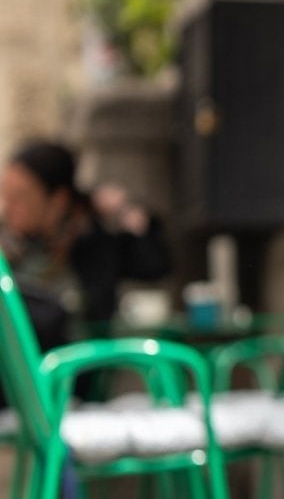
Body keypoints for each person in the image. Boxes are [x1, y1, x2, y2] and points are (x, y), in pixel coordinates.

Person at [0, 139, 170, 350]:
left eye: (21, 197)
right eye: (6, 196)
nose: (9, 208)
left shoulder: (96, 241)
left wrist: (130, 213)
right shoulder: (9, 247)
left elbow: (155, 265)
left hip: (76, 367)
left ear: (57, 200)